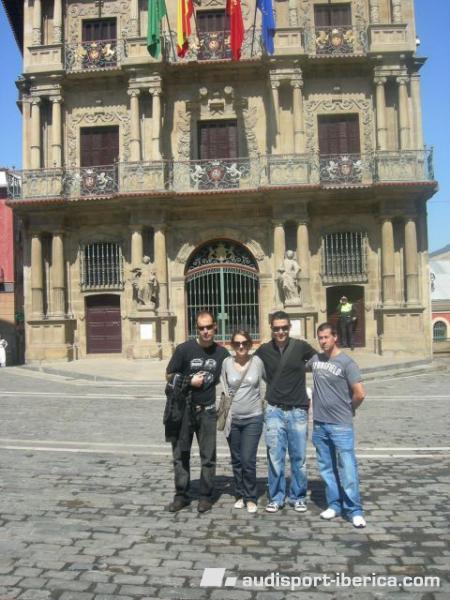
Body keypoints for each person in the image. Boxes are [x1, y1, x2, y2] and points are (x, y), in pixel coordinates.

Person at [166, 310, 229, 513]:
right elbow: (169, 375)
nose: (205, 331)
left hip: (207, 412)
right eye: (202, 328)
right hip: (183, 410)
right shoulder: (184, 350)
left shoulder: (222, 354)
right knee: (180, 454)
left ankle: (205, 496)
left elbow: (232, 375)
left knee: (208, 457)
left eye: (209, 327)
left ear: (215, 327)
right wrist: (189, 380)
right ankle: (181, 496)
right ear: (197, 329)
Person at [255, 311, 316, 513]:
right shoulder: (264, 350)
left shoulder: (301, 347)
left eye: (284, 328)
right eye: (276, 328)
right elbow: (252, 367)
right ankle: (276, 497)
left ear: (289, 328)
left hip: (297, 410)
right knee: (275, 458)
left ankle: (298, 496)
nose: (280, 332)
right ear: (271, 329)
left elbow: (319, 362)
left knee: (299, 458)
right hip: (274, 410)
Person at [308, 322, 366, 528]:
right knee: (326, 468)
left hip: (341, 425)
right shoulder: (315, 360)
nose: (323, 341)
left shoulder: (347, 363)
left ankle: (354, 510)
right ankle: (334, 504)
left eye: (326, 337)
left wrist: (349, 409)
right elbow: (294, 368)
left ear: (335, 337)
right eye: (320, 338)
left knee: (347, 468)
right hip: (320, 424)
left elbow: (360, 393)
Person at [220, 330, 265, 514]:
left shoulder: (257, 362)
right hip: (233, 419)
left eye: (245, 343)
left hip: (253, 418)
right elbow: (223, 387)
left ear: (250, 344)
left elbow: (269, 381)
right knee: (237, 459)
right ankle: (239, 493)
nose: (241, 346)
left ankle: (250, 497)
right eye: (237, 343)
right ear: (232, 345)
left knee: (248, 460)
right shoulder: (226, 363)